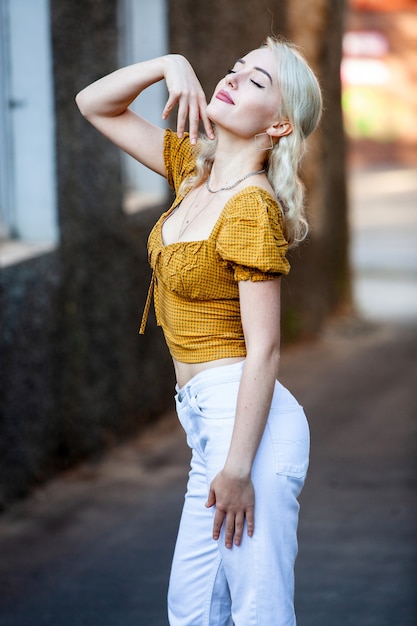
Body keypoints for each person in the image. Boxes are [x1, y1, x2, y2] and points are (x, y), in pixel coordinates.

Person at [76, 35, 322, 626]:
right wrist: (169, 64)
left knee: (260, 613)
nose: (232, 78)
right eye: (235, 67)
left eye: (256, 82)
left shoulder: (250, 207)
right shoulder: (195, 169)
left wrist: (237, 467)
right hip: (206, 425)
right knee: (192, 611)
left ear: (281, 127)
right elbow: (93, 104)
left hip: (247, 430)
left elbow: (264, 349)